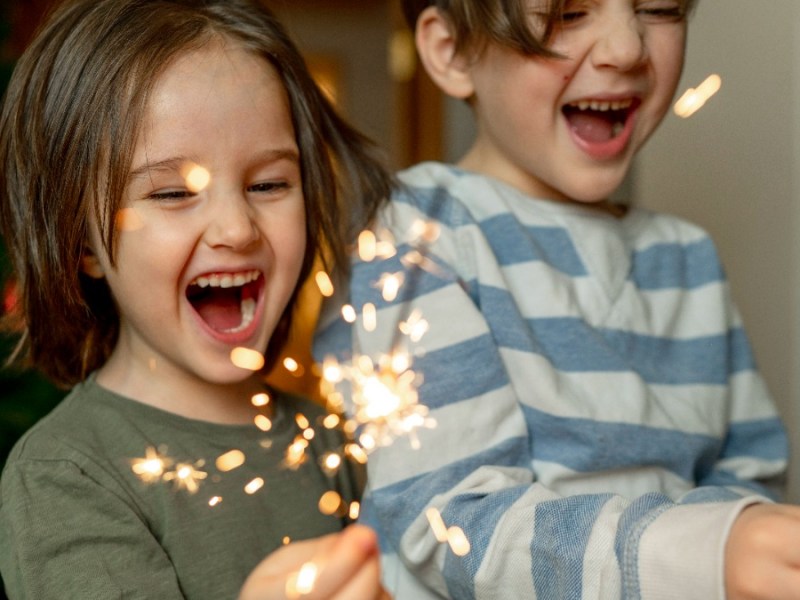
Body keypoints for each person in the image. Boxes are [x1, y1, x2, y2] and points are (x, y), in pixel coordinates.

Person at [315, 0, 800, 598]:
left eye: (659, 7)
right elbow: (453, 526)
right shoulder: (418, 236)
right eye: (569, 12)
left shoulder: (688, 257)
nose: (626, 48)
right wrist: (697, 552)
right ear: (452, 51)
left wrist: (745, 543)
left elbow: (751, 478)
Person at [0, 0, 394, 598]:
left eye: (268, 184)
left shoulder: (334, 442)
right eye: (172, 192)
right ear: (82, 240)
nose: (237, 228)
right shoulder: (67, 476)